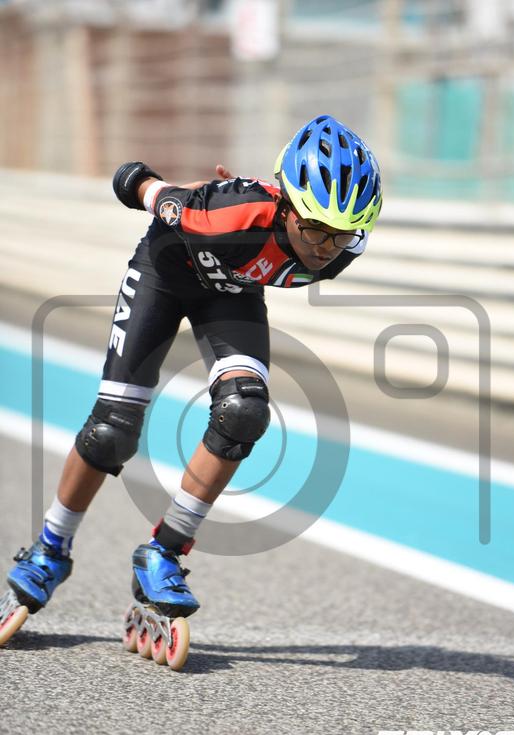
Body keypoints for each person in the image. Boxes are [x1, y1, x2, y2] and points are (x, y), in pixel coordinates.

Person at [0, 115, 382, 659]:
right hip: (164, 272)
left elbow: (304, 241)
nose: (325, 247)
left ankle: (164, 552)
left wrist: (291, 223)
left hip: (229, 292)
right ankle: (49, 549)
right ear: (288, 206)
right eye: (316, 229)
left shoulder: (342, 249)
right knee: (112, 431)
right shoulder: (228, 215)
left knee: (243, 413)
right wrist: (156, 187)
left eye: (342, 234)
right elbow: (135, 182)